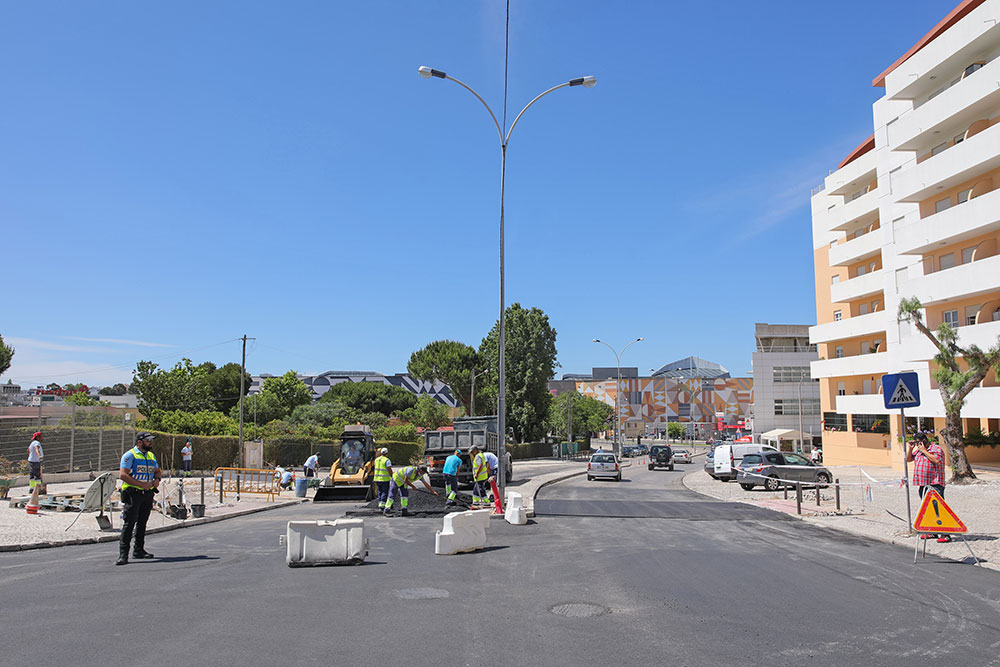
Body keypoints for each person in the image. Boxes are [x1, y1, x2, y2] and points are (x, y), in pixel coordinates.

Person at [117, 432, 162, 566]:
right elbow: (123, 475)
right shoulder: (130, 455)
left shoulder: (151, 455)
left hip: (147, 494)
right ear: (139, 442)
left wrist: (157, 479)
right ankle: (123, 554)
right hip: (133, 493)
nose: (150, 442)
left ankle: (139, 550)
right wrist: (141, 484)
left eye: (151, 440)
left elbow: (157, 471)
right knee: (129, 523)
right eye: (148, 440)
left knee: (142, 523)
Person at [907, 432, 949, 543]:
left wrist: (924, 451)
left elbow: (936, 460)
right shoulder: (918, 451)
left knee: (938, 509)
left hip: (935, 483)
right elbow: (908, 459)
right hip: (923, 484)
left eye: (919, 443)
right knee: (928, 509)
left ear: (925, 440)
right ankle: (932, 531)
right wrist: (910, 448)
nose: (918, 445)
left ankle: (946, 534)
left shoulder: (936, 449)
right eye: (916, 444)